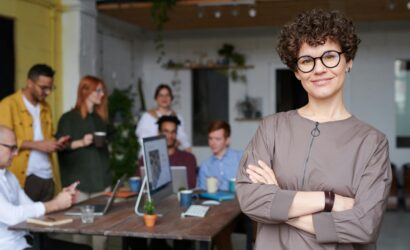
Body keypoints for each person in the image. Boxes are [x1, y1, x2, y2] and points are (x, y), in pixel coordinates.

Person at [236, 9, 392, 250]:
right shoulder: (271, 128)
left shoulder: (372, 142)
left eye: (329, 56)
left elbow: (364, 225)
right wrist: (330, 201)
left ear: (348, 61)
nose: (319, 69)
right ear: (297, 71)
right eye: (307, 61)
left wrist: (279, 204)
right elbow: (250, 199)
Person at [0, 125, 91, 250]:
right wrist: (55, 204)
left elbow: (31, 207)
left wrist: (62, 200)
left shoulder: (9, 176)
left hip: (27, 241)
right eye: (12, 148)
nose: (16, 153)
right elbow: (12, 216)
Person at [56, 75, 112, 250]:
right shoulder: (68, 119)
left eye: (103, 90)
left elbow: (105, 148)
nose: (102, 94)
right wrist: (81, 142)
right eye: (98, 90)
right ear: (85, 91)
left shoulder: (99, 119)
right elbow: (59, 147)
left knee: (101, 234)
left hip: (101, 183)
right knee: (80, 233)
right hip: (79, 185)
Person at [0, 64, 70, 202]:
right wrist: (38, 145)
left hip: (48, 176)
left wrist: (56, 144)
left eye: (50, 88)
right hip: (25, 177)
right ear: (29, 83)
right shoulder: (8, 105)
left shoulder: (46, 107)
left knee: (50, 220)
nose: (48, 93)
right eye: (43, 88)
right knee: (26, 221)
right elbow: (3, 141)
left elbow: (47, 138)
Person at [138, 115, 197, 188]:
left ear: (176, 134)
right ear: (159, 133)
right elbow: (139, 187)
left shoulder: (188, 158)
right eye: (166, 132)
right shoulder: (145, 159)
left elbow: (191, 186)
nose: (170, 136)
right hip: (155, 198)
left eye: (173, 132)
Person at [136, 84, 191, 152]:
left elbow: (183, 138)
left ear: (171, 98)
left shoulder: (177, 117)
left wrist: (187, 149)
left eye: (167, 95)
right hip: (150, 154)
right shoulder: (147, 117)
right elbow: (142, 138)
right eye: (161, 95)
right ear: (156, 98)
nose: (164, 98)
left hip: (171, 155)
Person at [198, 120, 242, 191]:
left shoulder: (240, 157)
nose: (213, 143)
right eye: (210, 138)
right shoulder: (205, 165)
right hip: (214, 201)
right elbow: (202, 192)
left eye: (217, 139)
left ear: (227, 140)